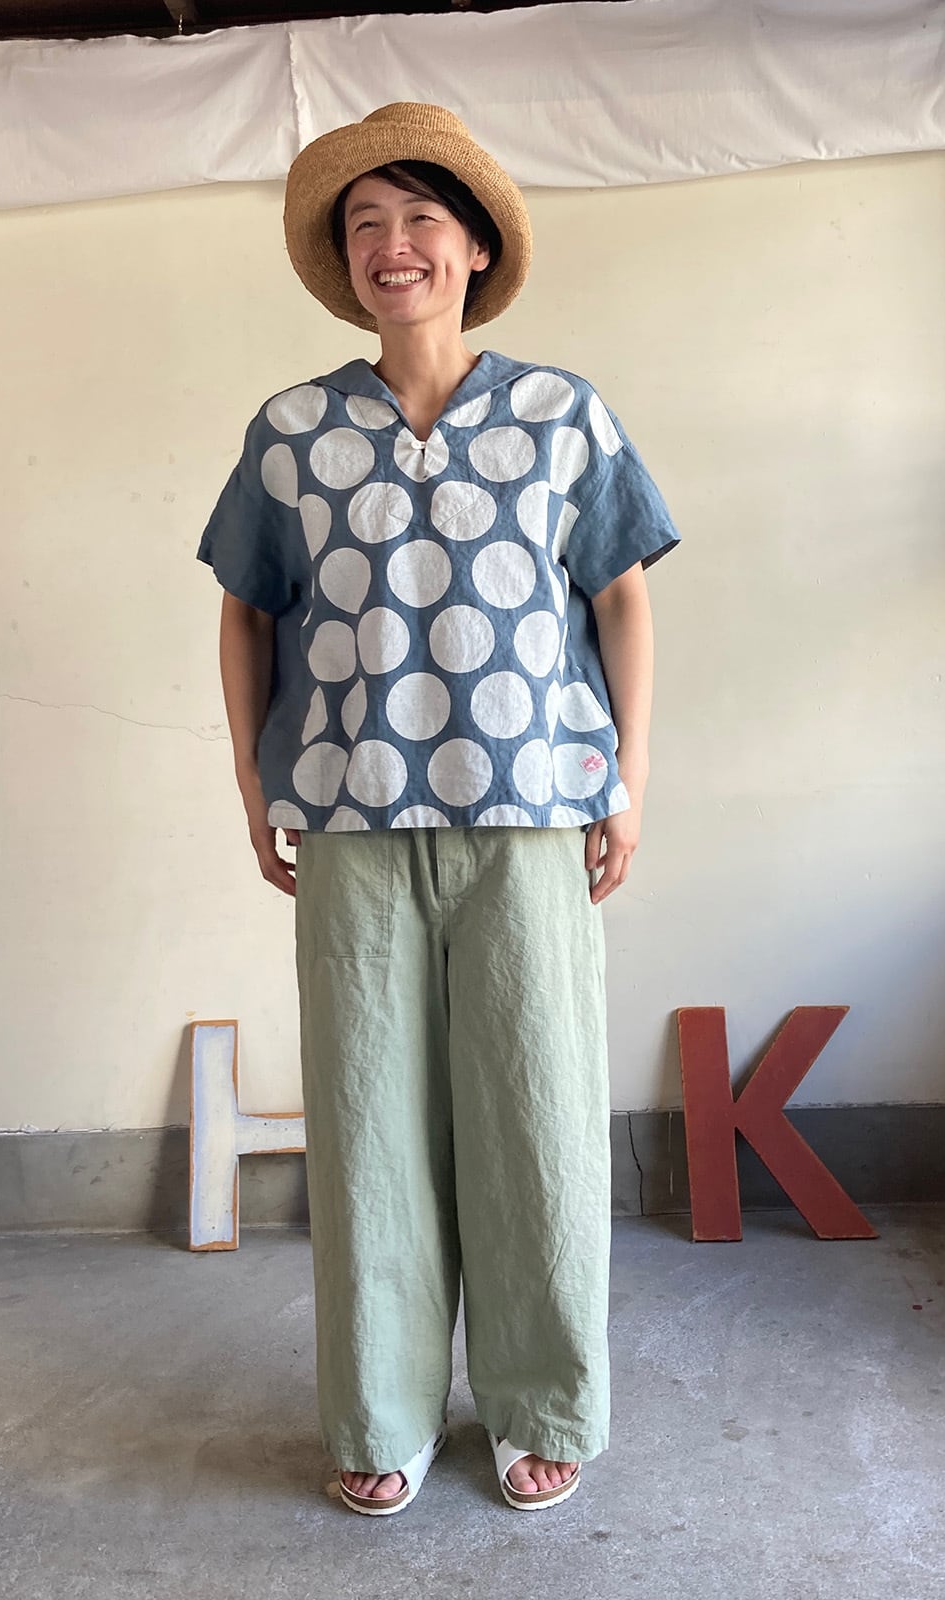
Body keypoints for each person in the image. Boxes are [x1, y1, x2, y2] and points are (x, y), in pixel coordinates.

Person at [197, 101, 680, 1515]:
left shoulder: (562, 416)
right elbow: (245, 612)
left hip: (529, 811)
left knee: (536, 1115)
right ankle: (382, 1410)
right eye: (365, 223)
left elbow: (621, 599)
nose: (392, 244)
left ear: (473, 248)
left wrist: (629, 778)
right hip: (351, 821)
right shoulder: (291, 433)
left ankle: (544, 1400)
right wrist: (252, 778)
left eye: (420, 218)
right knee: (369, 1128)